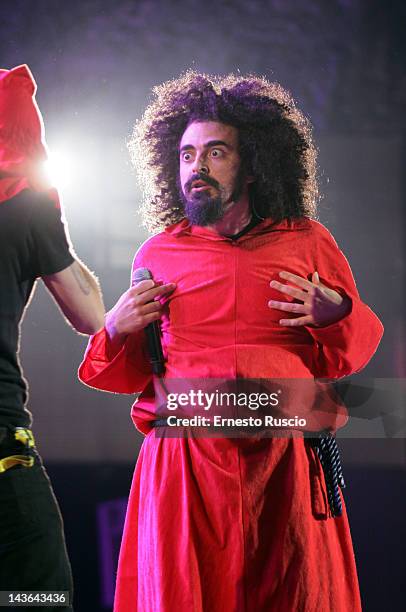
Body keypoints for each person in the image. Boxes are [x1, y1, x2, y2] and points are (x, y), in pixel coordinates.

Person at [79, 72, 383, 612]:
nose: (197, 167)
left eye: (215, 153)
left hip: (284, 464)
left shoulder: (308, 241)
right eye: (188, 154)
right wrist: (117, 327)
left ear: (252, 164)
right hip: (186, 467)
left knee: (293, 595)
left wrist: (335, 313)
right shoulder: (157, 254)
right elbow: (128, 376)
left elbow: (350, 355)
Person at [0, 64, 105, 611]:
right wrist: (52, 220)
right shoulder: (27, 205)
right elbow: (90, 316)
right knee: (35, 596)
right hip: (0, 452)